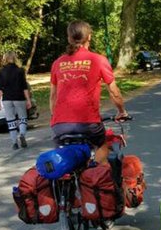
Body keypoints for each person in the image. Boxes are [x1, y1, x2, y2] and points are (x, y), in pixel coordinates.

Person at [50, 20, 128, 164]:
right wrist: (122, 111)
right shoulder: (98, 60)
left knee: (62, 159)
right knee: (102, 145)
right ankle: (98, 175)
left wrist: (57, 118)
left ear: (69, 38)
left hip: (60, 125)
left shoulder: (57, 63)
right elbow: (114, 92)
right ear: (89, 37)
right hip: (88, 123)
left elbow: (53, 96)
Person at [0, 51, 32, 150]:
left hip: (7, 99)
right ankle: (22, 134)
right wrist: (28, 100)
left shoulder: (1, 72)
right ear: (15, 58)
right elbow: (24, 87)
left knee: (10, 120)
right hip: (19, 97)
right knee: (22, 118)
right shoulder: (20, 71)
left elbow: (0, 88)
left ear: (5, 59)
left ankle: (14, 143)